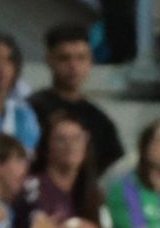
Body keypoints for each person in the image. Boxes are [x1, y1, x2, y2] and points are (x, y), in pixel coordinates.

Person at [28, 23, 124, 174]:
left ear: (90, 62)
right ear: (50, 60)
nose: (73, 66)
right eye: (64, 58)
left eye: (81, 58)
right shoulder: (32, 109)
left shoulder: (100, 120)